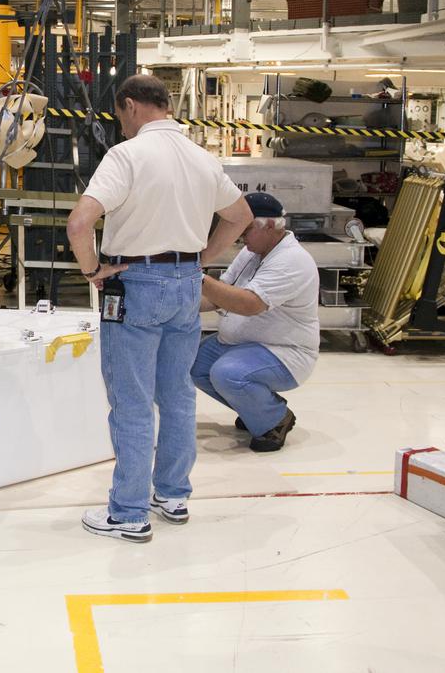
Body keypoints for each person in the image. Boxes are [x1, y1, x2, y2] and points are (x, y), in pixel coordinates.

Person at [66, 74, 252, 543]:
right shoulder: (201, 157)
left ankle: (128, 512)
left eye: (119, 115)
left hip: (134, 285)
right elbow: (242, 217)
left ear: (130, 106)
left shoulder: (127, 155)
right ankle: (172, 494)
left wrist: (92, 271)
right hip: (186, 285)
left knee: (131, 402)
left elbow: (80, 222)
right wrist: (201, 258)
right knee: (177, 396)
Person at [192, 192, 319, 453]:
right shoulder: (253, 251)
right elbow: (221, 295)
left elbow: (250, 304)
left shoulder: (292, 260)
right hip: (242, 344)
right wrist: (180, 305)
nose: (240, 236)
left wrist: (196, 276)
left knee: (227, 374)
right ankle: (257, 409)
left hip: (283, 352)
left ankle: (274, 419)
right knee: (192, 364)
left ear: (270, 226)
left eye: (245, 229)